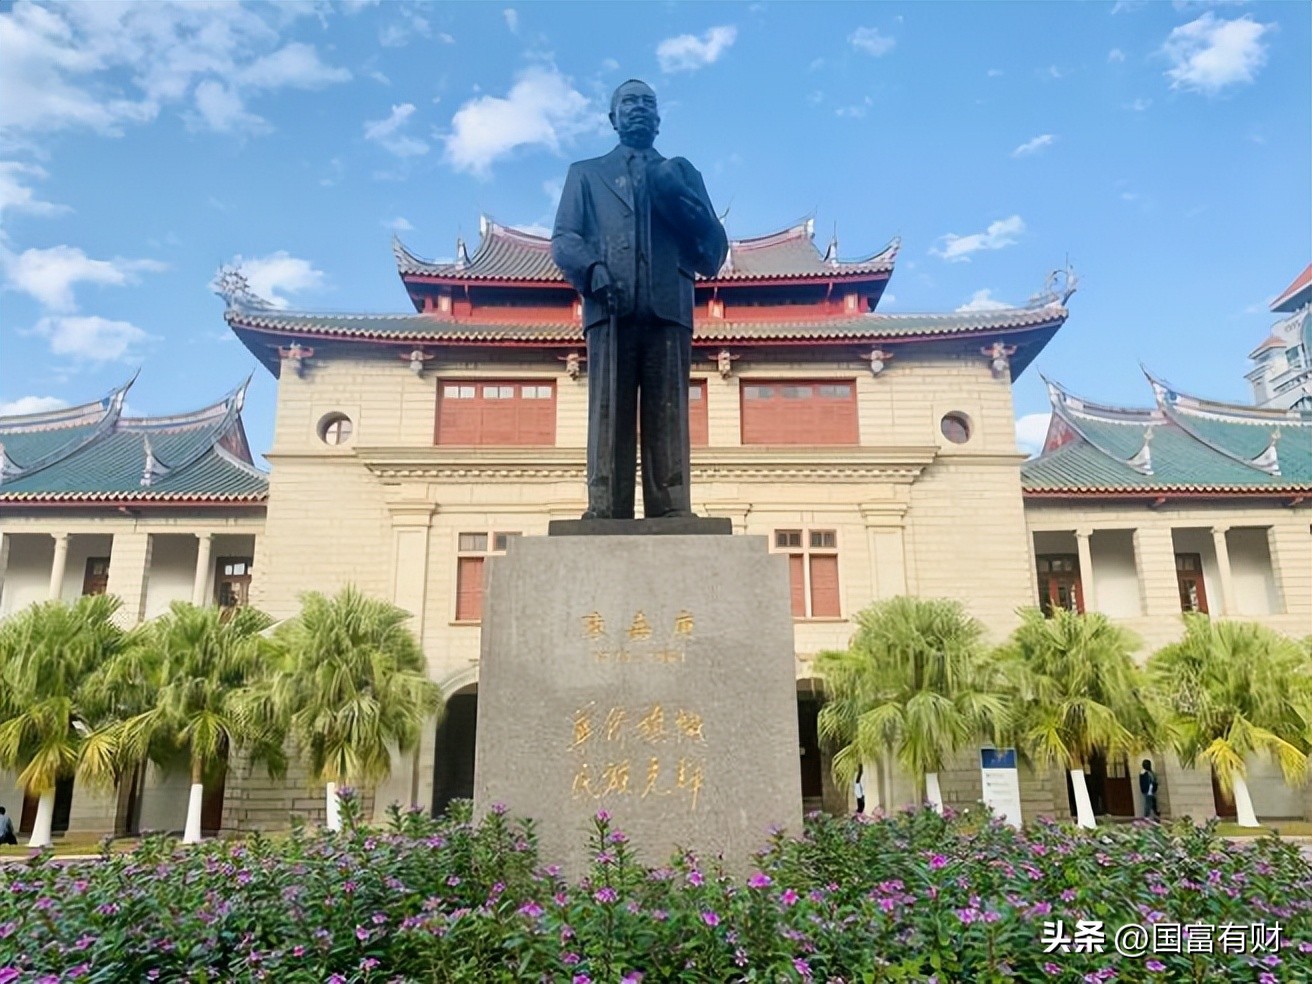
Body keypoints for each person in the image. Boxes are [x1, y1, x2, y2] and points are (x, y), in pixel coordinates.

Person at [552, 79, 729, 520]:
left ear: (659, 118)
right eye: (629, 102)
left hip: (668, 305)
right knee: (608, 408)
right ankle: (605, 505)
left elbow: (711, 252)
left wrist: (694, 215)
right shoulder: (585, 174)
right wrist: (593, 270)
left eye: (648, 102)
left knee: (668, 409)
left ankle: (671, 504)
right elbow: (565, 238)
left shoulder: (682, 175)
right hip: (609, 303)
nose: (640, 108)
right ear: (613, 117)